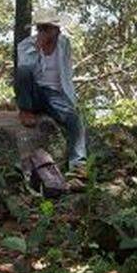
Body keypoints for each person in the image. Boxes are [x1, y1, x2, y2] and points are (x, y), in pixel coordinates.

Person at [15, 10, 87, 171]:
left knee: (75, 120)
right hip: (35, 92)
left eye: (46, 28)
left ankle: (78, 165)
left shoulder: (64, 44)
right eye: (40, 28)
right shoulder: (25, 45)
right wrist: (36, 49)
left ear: (56, 29)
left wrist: (69, 101)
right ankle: (26, 110)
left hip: (55, 95)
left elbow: (66, 73)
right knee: (23, 71)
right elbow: (26, 71)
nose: (42, 32)